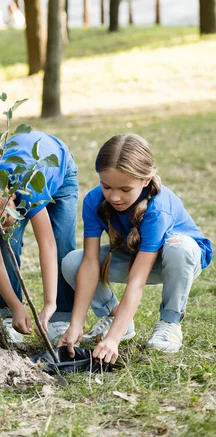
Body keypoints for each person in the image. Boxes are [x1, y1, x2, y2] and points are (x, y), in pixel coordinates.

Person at [57, 134, 213, 363]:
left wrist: (113, 340)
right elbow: (90, 264)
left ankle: (169, 323)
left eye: (125, 189)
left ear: (146, 179)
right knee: (73, 262)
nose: (114, 197)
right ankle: (116, 316)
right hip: (133, 255)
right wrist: (75, 324)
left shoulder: (157, 210)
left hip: (178, 260)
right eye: (106, 186)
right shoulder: (93, 201)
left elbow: (137, 281)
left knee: (178, 248)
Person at [0, 131, 78, 343]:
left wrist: (49, 303)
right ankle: (8, 315)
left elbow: (47, 244)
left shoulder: (29, 187)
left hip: (58, 169)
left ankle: (60, 315)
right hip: (14, 179)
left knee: (62, 242)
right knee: (6, 244)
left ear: (11, 197)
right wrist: (17, 306)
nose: (2, 228)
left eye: (2, 221)